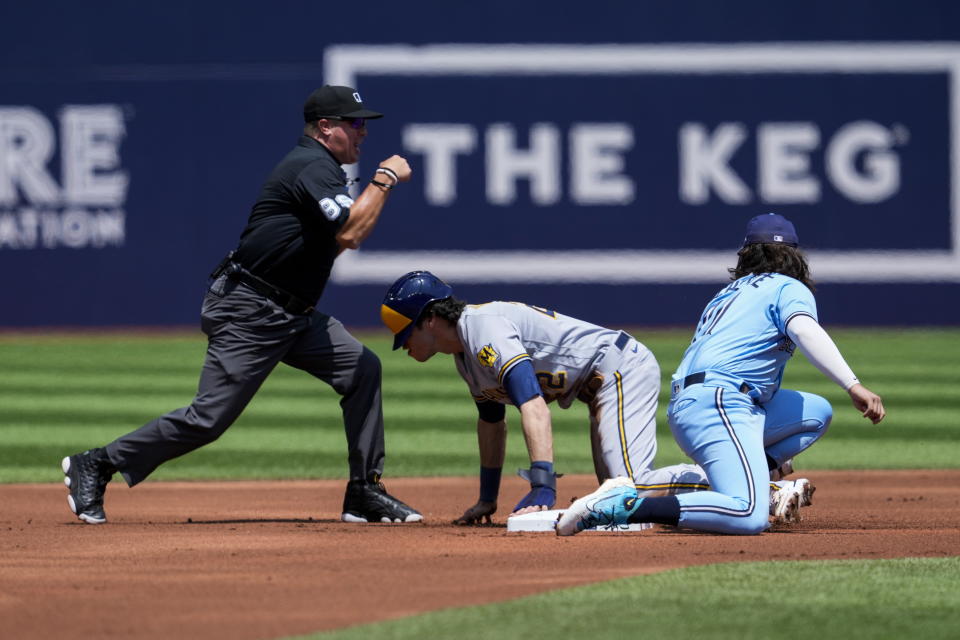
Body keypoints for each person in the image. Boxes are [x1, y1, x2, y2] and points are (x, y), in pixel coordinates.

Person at [61, 85, 422, 525]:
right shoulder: (310, 165)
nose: (363, 133)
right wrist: (383, 179)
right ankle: (97, 463)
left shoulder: (320, 168)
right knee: (208, 419)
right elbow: (349, 234)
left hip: (292, 314)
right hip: (251, 309)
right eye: (356, 123)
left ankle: (364, 491)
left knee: (362, 368)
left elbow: (329, 244)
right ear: (326, 128)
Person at [556, 213, 885, 536]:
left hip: (700, 402)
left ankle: (749, 475)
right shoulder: (789, 287)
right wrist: (852, 384)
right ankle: (622, 506)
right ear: (796, 257)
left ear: (747, 255)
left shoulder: (730, 293)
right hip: (722, 404)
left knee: (817, 412)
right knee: (748, 515)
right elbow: (805, 331)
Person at [379, 270, 712, 524]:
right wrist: (487, 498)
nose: (404, 344)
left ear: (431, 319)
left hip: (621, 368)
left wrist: (543, 483)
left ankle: (729, 480)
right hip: (598, 385)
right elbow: (492, 423)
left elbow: (532, 404)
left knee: (630, 488)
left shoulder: (483, 328)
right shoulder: (465, 355)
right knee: (613, 499)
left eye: (407, 333)